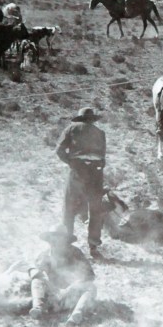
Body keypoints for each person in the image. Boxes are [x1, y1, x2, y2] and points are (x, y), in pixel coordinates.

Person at [56, 107, 107, 260]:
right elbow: (103, 158)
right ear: (92, 119)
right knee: (95, 209)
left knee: (69, 207)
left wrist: (72, 163)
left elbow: (59, 150)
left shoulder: (71, 129)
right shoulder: (100, 133)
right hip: (96, 172)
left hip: (78, 171)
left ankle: (66, 245)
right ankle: (94, 247)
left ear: (80, 119)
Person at [28, 226, 97, 326]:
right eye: (52, 237)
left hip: (71, 296)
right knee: (37, 280)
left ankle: (76, 314)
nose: (55, 240)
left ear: (65, 240)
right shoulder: (44, 255)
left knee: (91, 287)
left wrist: (75, 284)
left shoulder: (76, 253)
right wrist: (38, 272)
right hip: (52, 296)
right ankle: (38, 308)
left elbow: (90, 276)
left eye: (59, 237)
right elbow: (34, 272)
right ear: (49, 240)